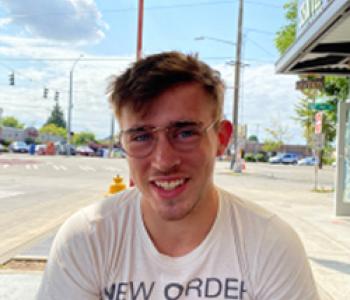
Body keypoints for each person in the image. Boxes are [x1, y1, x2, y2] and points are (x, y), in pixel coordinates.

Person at [37, 51, 320, 300]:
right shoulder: (88, 238)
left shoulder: (269, 243)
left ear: (221, 139)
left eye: (185, 133)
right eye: (141, 136)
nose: (164, 161)